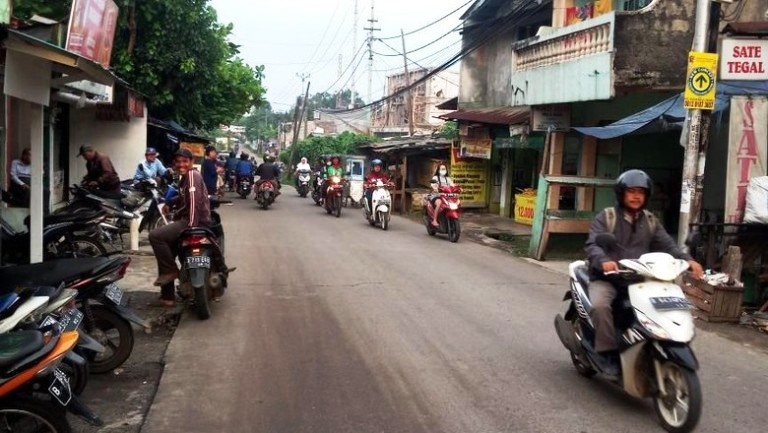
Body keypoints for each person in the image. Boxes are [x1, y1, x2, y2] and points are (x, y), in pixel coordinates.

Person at [585, 169, 704, 376]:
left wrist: (689, 260)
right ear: (621, 193)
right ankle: (607, 353)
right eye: (631, 191)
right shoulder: (607, 217)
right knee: (600, 306)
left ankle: (652, 346)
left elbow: (668, 246)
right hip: (608, 278)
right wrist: (604, 261)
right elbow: (593, 245)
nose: (636, 196)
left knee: (662, 308)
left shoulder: (650, 221)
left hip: (640, 279)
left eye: (641, 191)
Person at [148, 148, 234, 306]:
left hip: (193, 222)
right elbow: (184, 196)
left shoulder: (193, 176)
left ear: (191, 162)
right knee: (166, 251)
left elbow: (193, 201)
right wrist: (170, 202)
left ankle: (170, 271)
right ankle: (167, 297)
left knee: (155, 236)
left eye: (184, 161)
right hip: (192, 221)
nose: (181, 164)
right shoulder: (186, 178)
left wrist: (191, 226)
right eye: (178, 162)